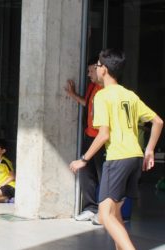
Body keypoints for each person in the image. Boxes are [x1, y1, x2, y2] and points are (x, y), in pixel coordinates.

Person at [70, 49, 163, 250]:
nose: (96, 68)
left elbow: (103, 134)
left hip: (118, 158)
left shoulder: (102, 96)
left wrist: (83, 159)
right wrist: (149, 150)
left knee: (104, 215)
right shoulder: (130, 95)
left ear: (104, 70)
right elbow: (158, 121)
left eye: (98, 65)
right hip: (135, 157)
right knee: (116, 213)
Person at [64, 57, 106, 223]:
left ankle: (104, 212)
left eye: (90, 71)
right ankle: (90, 208)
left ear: (99, 69)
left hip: (102, 138)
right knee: (86, 173)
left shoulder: (106, 90)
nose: (88, 74)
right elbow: (87, 105)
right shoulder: (92, 87)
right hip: (89, 135)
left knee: (103, 175)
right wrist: (73, 95)